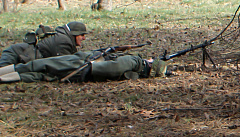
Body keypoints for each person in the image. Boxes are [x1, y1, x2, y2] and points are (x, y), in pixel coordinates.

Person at [0, 51, 171, 83]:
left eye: (152, 60)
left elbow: (111, 68)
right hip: (82, 72)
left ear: (150, 65)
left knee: (38, 65)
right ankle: (4, 78)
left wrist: (91, 67)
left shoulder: (133, 62)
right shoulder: (135, 73)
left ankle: (3, 73)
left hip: (81, 66)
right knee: (42, 76)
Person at [0, 21, 87, 67]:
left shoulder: (64, 39)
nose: (84, 38)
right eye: (82, 35)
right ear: (74, 34)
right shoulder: (63, 41)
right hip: (16, 52)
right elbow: (64, 64)